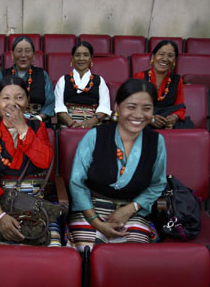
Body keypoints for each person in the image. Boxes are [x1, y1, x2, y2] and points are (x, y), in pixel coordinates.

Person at [68, 78, 167, 251]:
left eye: (146, 108)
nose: (138, 115)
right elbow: (77, 183)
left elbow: (157, 184)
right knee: (86, 252)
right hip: (90, 209)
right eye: (131, 107)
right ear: (117, 107)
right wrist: (96, 222)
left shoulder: (156, 141)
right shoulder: (95, 136)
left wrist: (130, 209)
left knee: (131, 258)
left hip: (133, 210)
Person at [0, 75, 61, 246]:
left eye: (19, 98)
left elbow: (44, 161)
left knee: (51, 248)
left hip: (35, 202)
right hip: (1, 202)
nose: (12, 103)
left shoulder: (39, 128)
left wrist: (22, 127)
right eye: (6, 98)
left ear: (27, 101)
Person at [0, 36, 55, 123]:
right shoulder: (3, 75)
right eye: (19, 51)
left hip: (37, 122)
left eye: (27, 51)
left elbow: (50, 104)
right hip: (7, 122)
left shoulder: (42, 74)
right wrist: (8, 119)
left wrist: (37, 119)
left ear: (34, 56)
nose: (23, 55)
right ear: (12, 55)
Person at [133, 40, 192, 129]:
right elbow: (132, 105)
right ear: (153, 56)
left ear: (174, 60)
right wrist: (150, 119)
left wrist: (173, 118)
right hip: (144, 119)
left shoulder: (177, 80)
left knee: (187, 125)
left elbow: (180, 107)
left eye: (170, 56)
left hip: (166, 121)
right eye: (161, 54)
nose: (165, 58)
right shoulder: (140, 76)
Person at [54, 41, 112, 129]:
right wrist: (71, 123)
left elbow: (104, 107)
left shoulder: (99, 80)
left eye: (86, 55)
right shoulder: (63, 80)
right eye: (77, 55)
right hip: (68, 127)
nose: (81, 58)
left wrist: (90, 123)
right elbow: (59, 106)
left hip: (93, 126)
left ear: (91, 58)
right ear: (72, 58)